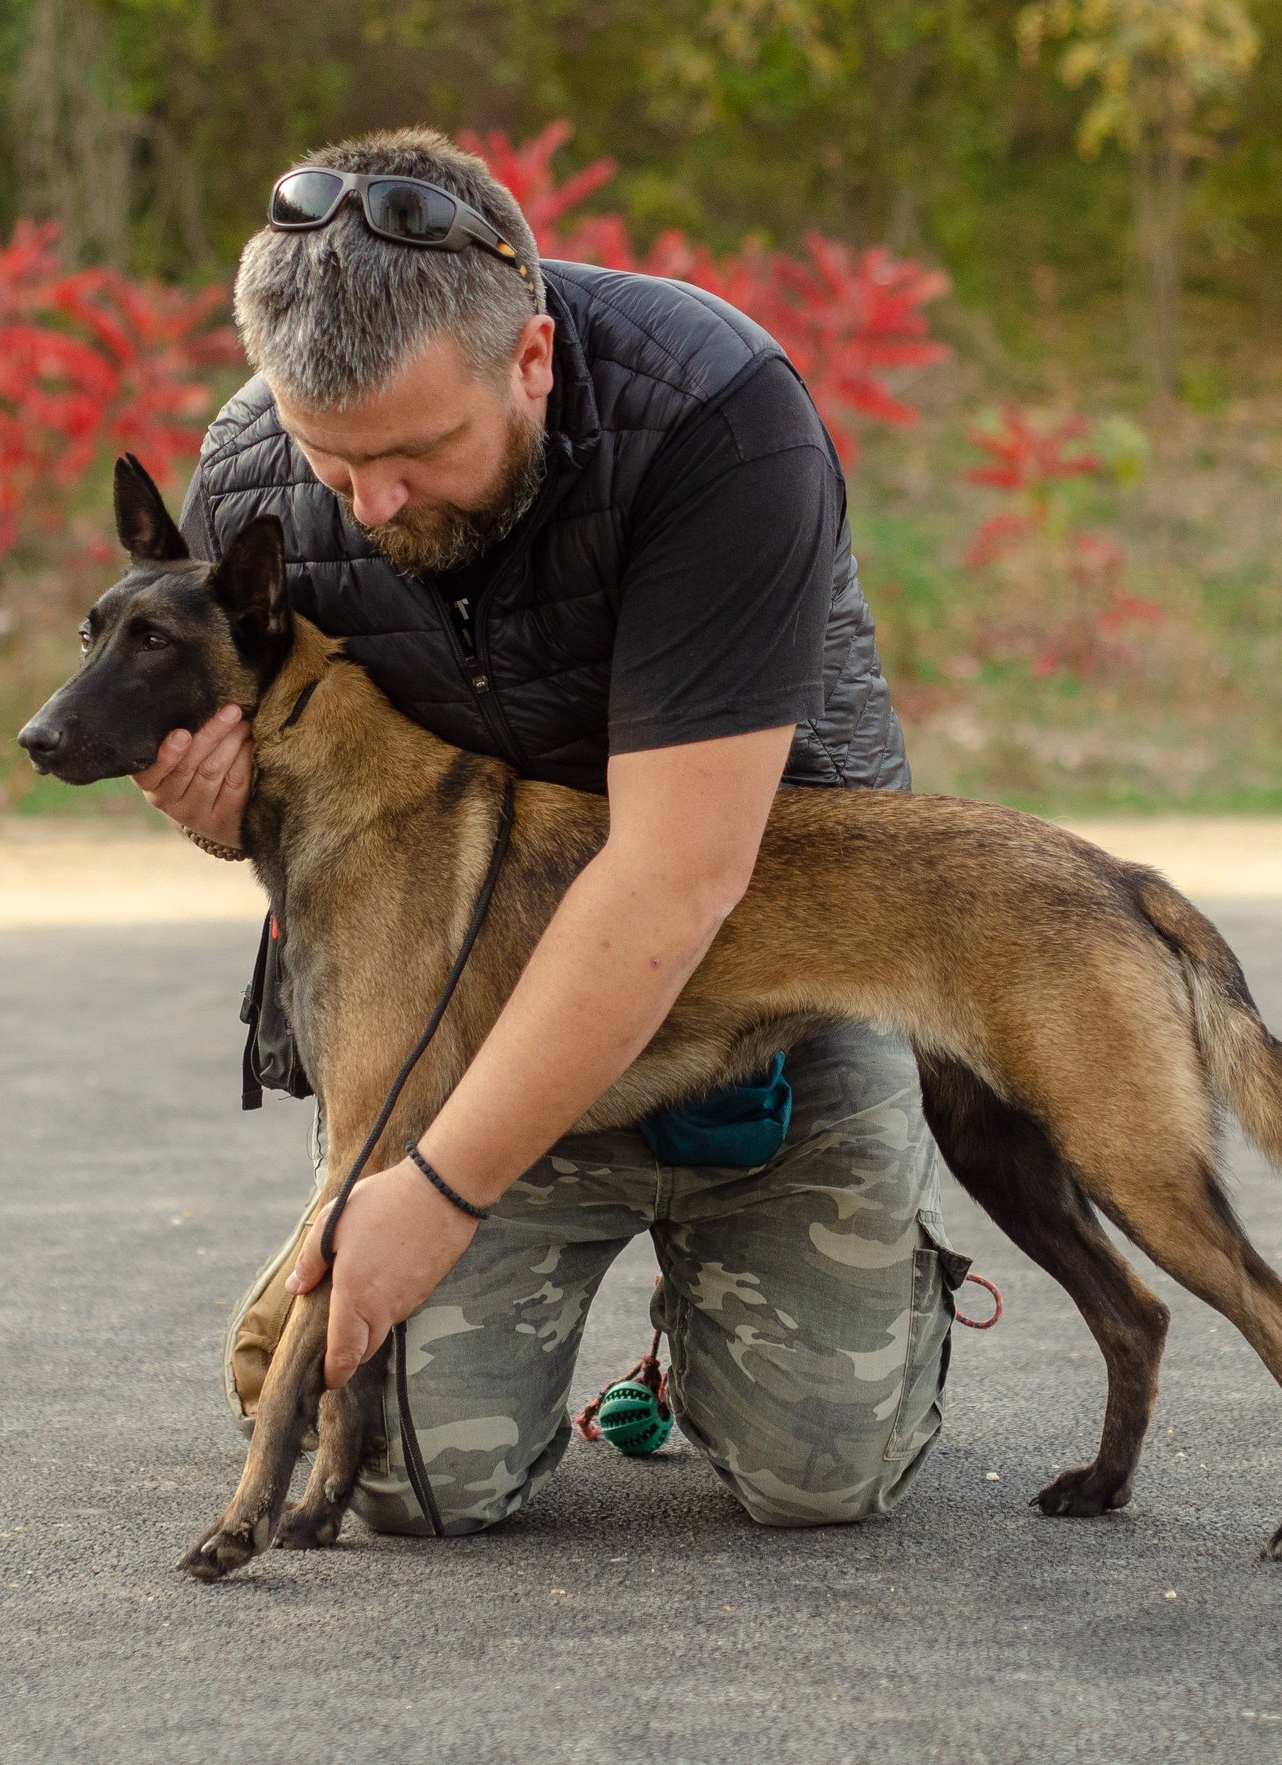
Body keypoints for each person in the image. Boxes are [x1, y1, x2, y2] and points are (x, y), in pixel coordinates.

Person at [136, 127, 958, 1535]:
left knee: (822, 1471)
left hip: (765, 996)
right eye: (335, 463)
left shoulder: (717, 422)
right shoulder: (249, 472)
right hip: (480, 1021)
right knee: (402, 1478)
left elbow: (678, 875)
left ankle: (737, 1304)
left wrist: (442, 1192)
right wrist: (222, 817)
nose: (373, 501)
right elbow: (305, 819)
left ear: (530, 360)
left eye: (414, 452)